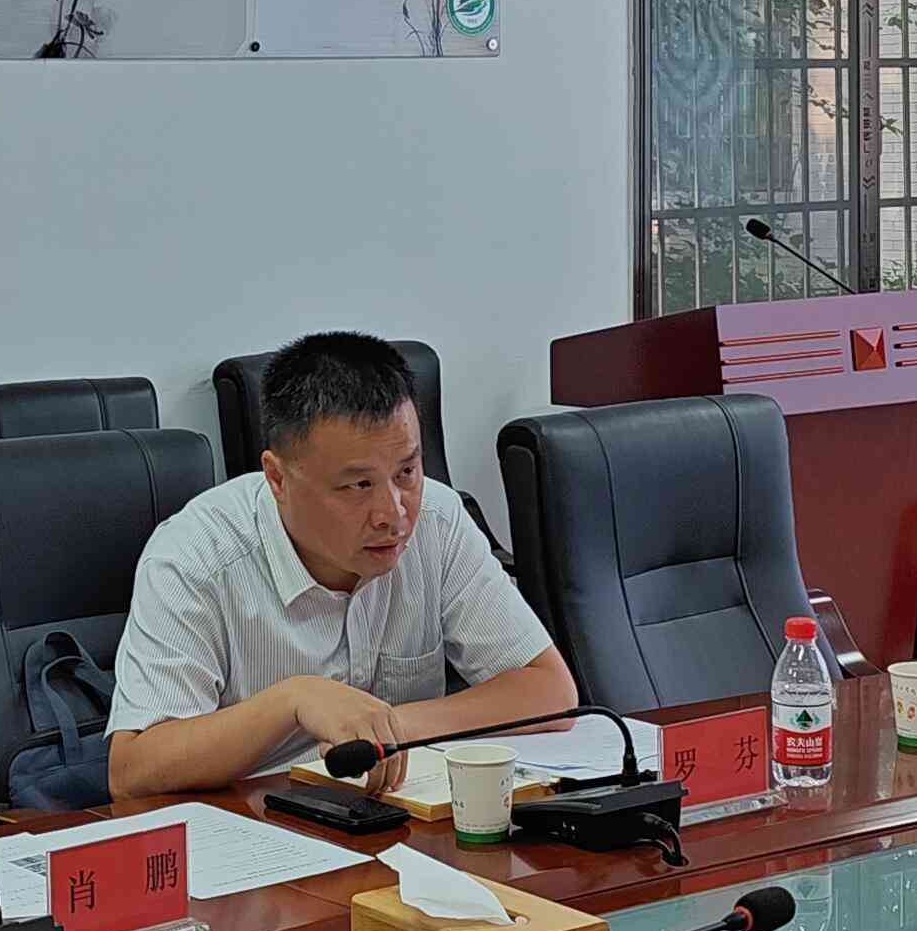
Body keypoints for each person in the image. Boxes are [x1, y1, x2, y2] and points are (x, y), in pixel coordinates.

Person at [106, 333, 573, 799]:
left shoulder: (437, 519)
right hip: (256, 823)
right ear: (277, 477)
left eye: (406, 472)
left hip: (398, 817)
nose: (393, 514)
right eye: (358, 486)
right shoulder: (195, 557)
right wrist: (293, 700)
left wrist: (385, 729)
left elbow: (549, 690)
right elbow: (132, 769)